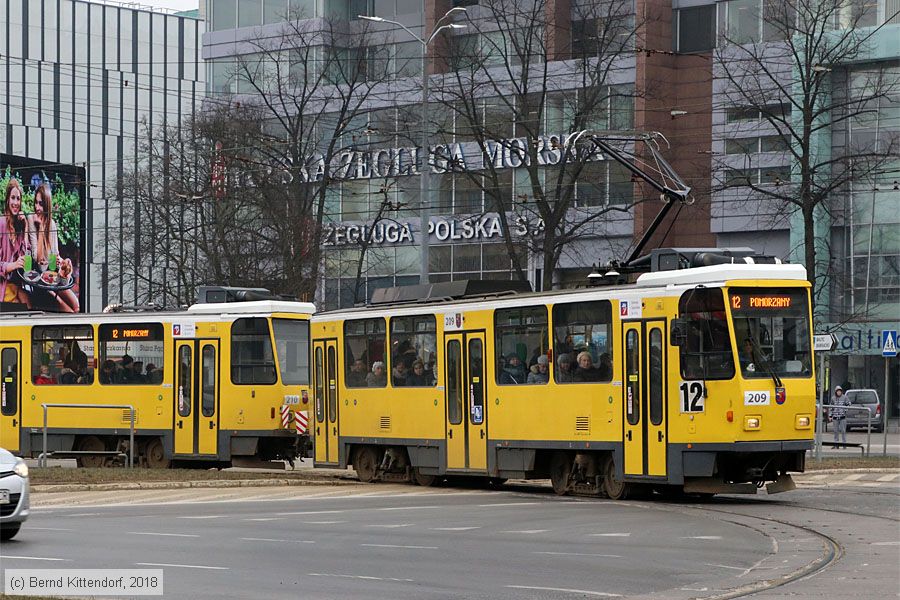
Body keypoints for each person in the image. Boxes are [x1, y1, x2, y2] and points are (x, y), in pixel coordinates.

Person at [28, 184, 78, 312]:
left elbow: (53, 257)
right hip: (38, 281)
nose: (37, 207)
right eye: (36, 203)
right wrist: (40, 229)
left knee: (76, 306)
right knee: (69, 312)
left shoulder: (52, 224)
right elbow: (40, 264)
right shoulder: (31, 220)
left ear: (47, 205)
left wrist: (62, 262)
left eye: (41, 204)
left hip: (52, 279)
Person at [0, 178, 32, 307]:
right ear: (7, 200)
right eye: (13, 198)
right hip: (3, 286)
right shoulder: (1, 223)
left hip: (15, 284)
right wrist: (13, 265)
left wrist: (25, 228)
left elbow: (26, 257)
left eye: (18, 199)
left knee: (30, 306)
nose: (15, 202)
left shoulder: (19, 227)